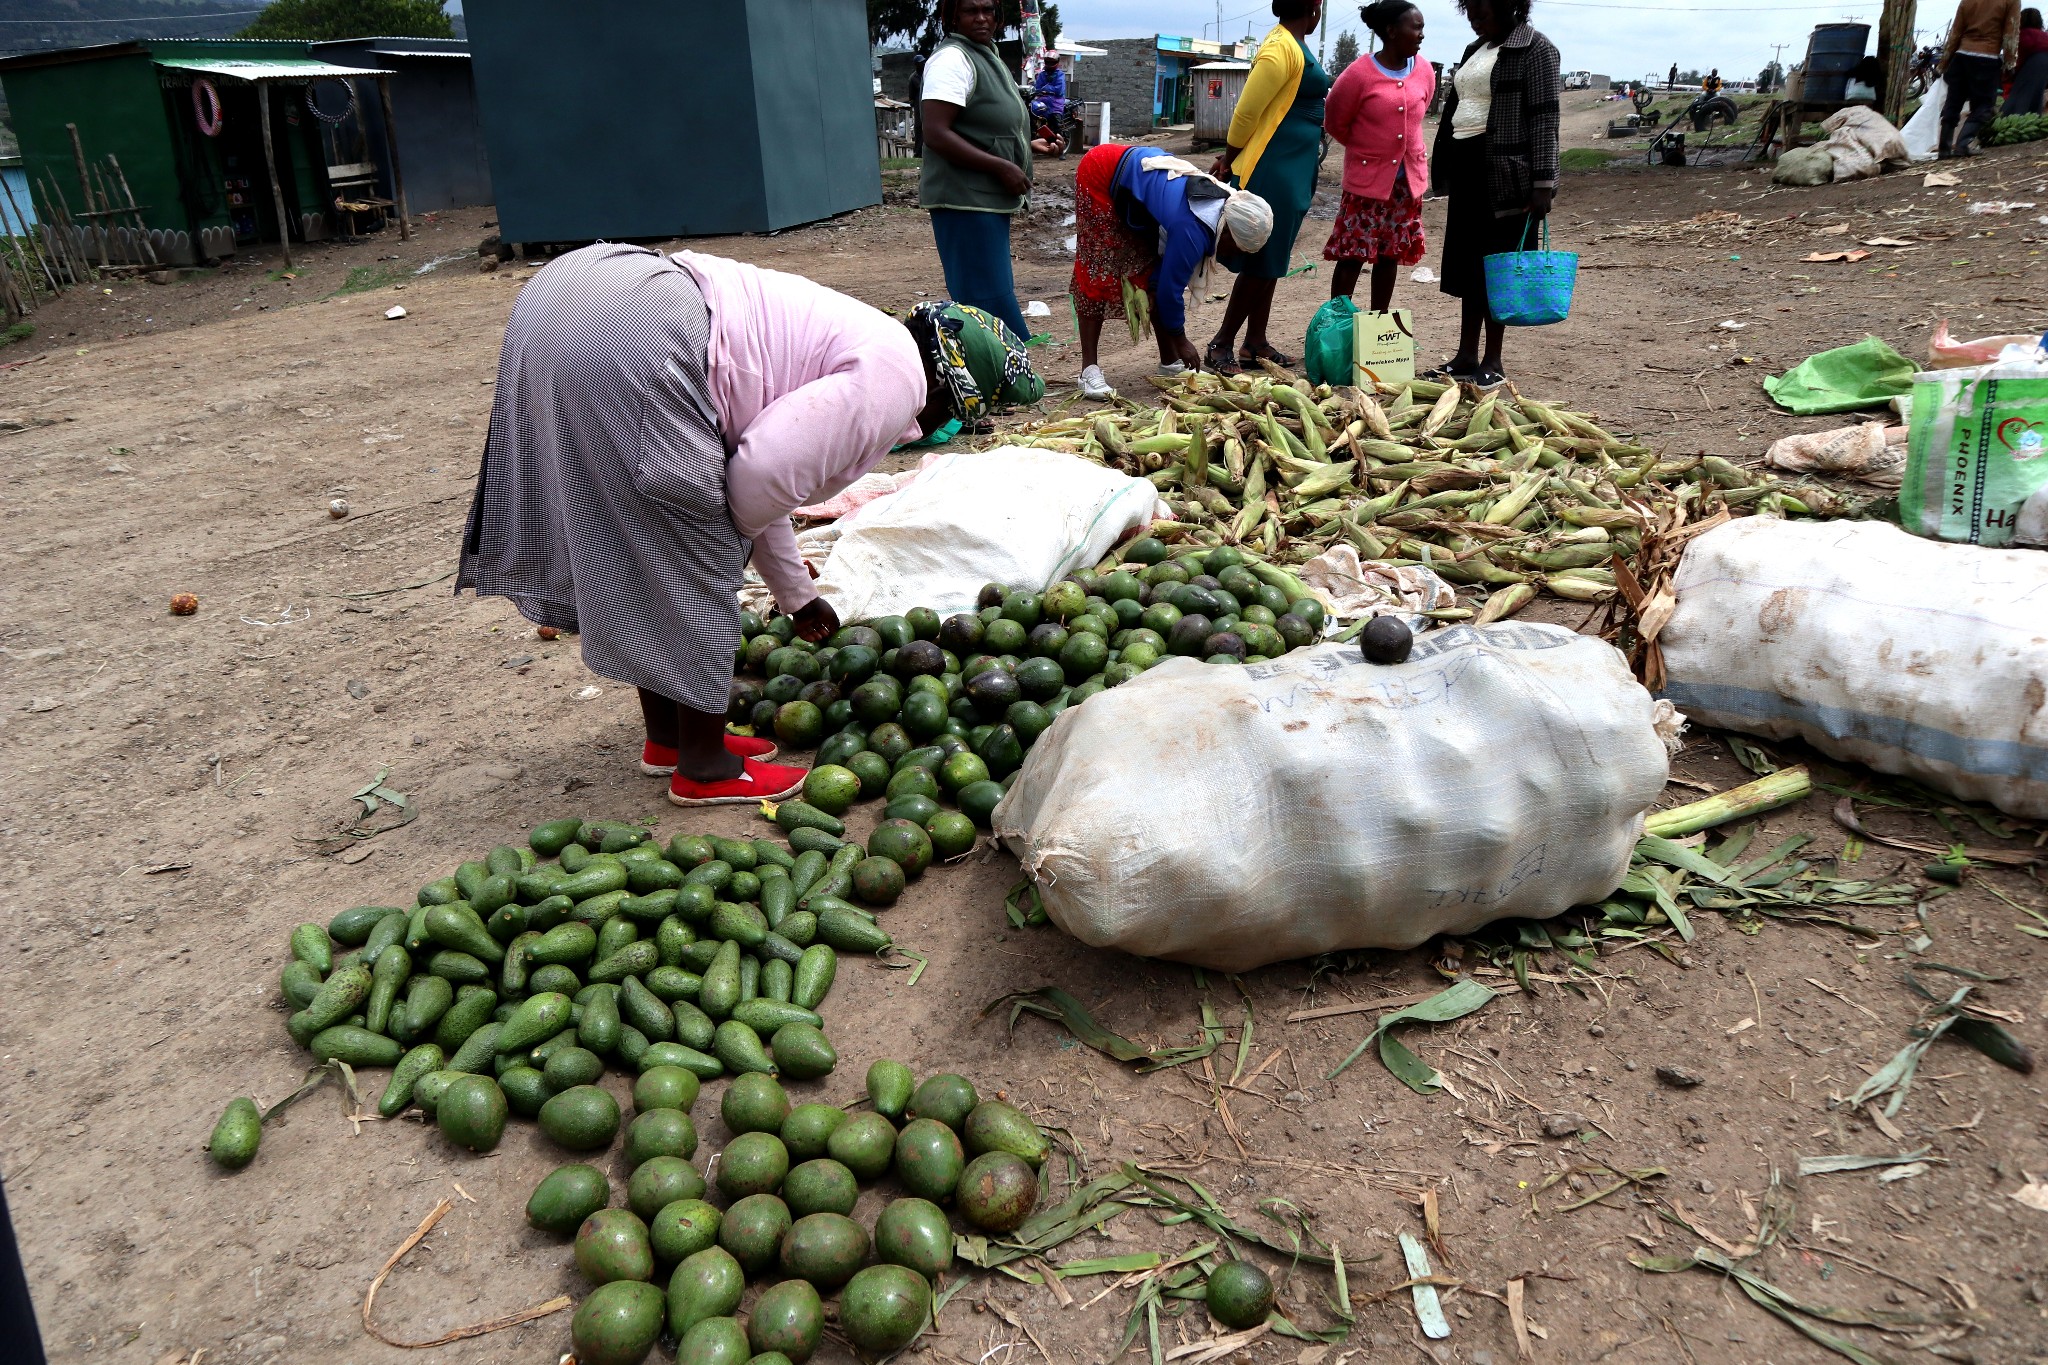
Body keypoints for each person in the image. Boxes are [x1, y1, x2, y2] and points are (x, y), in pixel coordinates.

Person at [457, 245, 1025, 805]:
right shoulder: (896, 381)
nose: (946, 425)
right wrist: (737, 560)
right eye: (959, 416)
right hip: (636, 334)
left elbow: (763, 472)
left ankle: (670, 739)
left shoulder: (873, 336)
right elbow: (760, 479)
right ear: (954, 393)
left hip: (575, 297)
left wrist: (797, 597)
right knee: (696, 541)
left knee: (645, 536)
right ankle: (705, 767)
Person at [1068, 144, 1275, 399]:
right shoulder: (1193, 230)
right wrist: (1181, 341)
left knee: (1149, 273)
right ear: (1229, 232)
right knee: (1098, 271)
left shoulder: (1223, 204)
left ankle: (1169, 364)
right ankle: (1088, 371)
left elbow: (1162, 281)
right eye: (1238, 249)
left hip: (1137, 186)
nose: (1234, 256)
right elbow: (1170, 293)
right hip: (1100, 173)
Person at [1429, 0, 1562, 388]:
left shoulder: (1537, 49)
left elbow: (1545, 117)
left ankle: (1493, 360)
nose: (1473, 20)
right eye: (1468, 12)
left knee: (1498, 269)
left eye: (1481, 12)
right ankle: (1466, 354)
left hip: (1505, 172)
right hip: (1468, 168)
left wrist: (1543, 184)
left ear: (1511, 6)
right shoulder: (1477, 50)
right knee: (1469, 264)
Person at [1204, 0, 1332, 374]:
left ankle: (1255, 342)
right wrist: (1228, 159)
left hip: (1294, 162)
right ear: (1312, 5)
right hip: (1273, 165)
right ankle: (1221, 343)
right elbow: (1246, 112)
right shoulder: (1279, 48)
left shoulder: (1296, 43)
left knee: (1274, 259)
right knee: (1264, 259)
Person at [919, 0, 1035, 340]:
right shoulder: (952, 59)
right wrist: (1001, 165)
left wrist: (1031, 145)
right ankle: (1001, 373)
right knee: (984, 295)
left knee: (992, 288)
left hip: (984, 198)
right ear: (952, 16)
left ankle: (999, 375)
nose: (982, 18)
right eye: (971, 11)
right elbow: (936, 133)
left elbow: (988, 123)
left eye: (988, 10)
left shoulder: (985, 54)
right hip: (963, 198)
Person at [1323, 0, 1436, 314]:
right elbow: (1335, 122)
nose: (1421, 34)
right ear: (1391, 31)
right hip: (1366, 186)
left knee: (1390, 254)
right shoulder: (1358, 75)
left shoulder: (1424, 70)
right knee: (1352, 256)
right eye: (1416, 27)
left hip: (1405, 187)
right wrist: (1369, 153)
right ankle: (1337, 323)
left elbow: (1419, 113)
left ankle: (1378, 325)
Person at [1940, 0, 2022, 157]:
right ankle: (1963, 144)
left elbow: (1955, 33)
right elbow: (2011, 34)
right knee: (1984, 105)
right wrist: (2010, 63)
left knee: (1954, 102)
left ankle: (1944, 149)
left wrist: (1943, 64)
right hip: (1987, 57)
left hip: (1961, 56)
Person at [2004, 7, 2048, 115]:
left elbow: (2018, 59)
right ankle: (2033, 118)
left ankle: (2013, 118)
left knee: (2020, 98)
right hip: (2045, 68)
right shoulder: (2044, 35)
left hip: (2031, 66)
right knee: (2036, 97)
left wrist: (2010, 76)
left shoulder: (2023, 35)